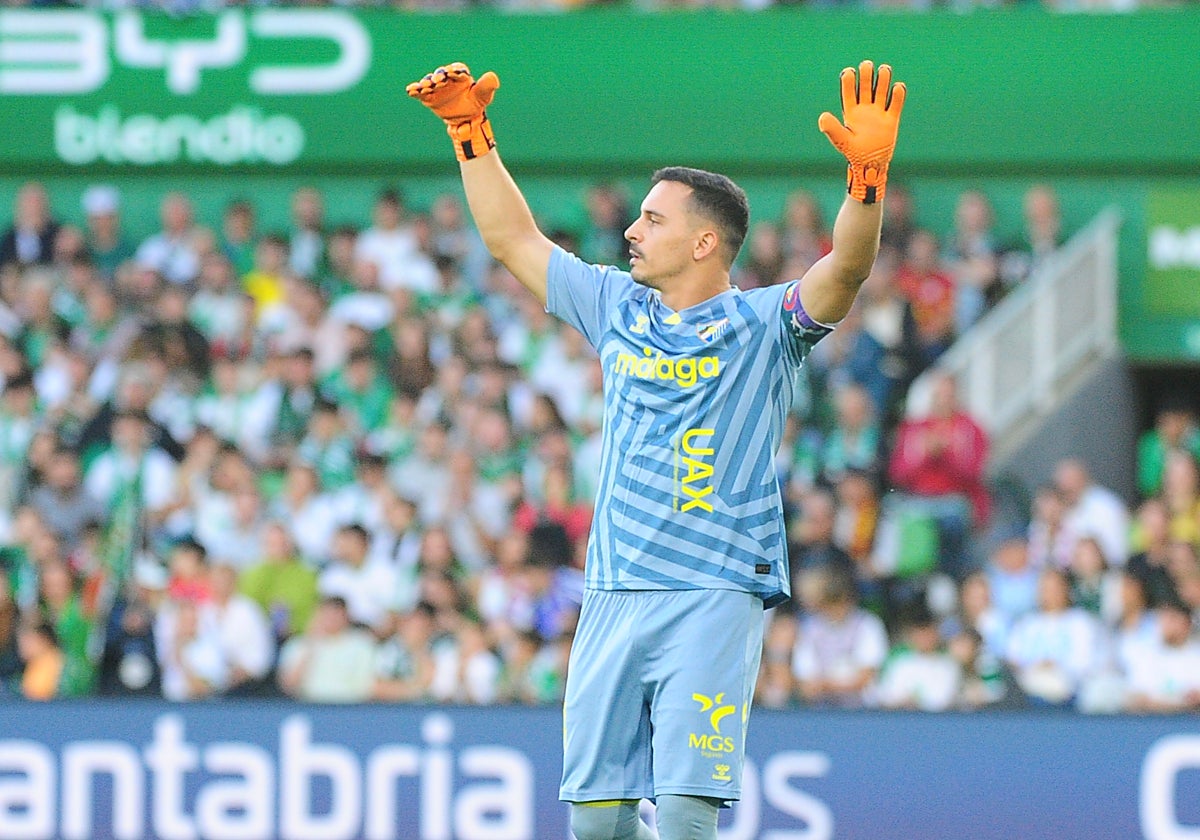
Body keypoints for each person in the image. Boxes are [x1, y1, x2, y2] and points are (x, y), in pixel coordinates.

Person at [408, 57, 906, 840]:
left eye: (653, 219)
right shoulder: (615, 305)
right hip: (612, 589)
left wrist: (865, 181)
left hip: (712, 592)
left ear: (707, 241)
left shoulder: (765, 324)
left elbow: (846, 267)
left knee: (681, 816)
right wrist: (470, 134)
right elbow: (510, 237)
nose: (632, 230)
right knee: (597, 827)